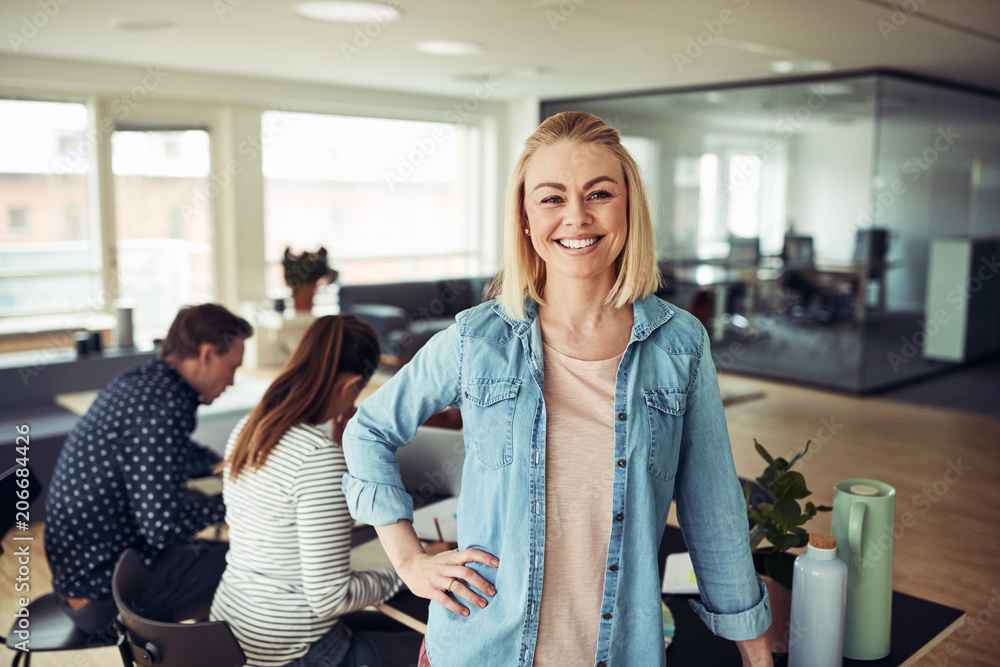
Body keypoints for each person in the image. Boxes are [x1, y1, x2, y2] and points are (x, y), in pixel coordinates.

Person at [342, 111, 773, 667]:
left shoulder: (679, 344)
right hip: (480, 649)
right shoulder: (479, 338)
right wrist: (408, 560)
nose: (577, 216)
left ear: (628, 208)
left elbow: (712, 500)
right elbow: (369, 430)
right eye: (551, 198)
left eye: (599, 193)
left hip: (621, 650)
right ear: (524, 217)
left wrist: (755, 647)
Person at [210, 315, 427, 667]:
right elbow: (330, 598)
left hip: (234, 633)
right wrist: (411, 569)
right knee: (441, 650)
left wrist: (340, 452)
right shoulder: (316, 457)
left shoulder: (250, 429)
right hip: (295, 652)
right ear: (352, 384)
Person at [45, 303, 252, 638]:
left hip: (83, 574)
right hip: (102, 594)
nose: (231, 381)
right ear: (206, 354)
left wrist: (223, 467)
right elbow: (162, 527)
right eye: (232, 368)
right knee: (252, 568)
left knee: (218, 553)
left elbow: (172, 452)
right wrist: (240, 498)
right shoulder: (162, 406)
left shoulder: (142, 383)